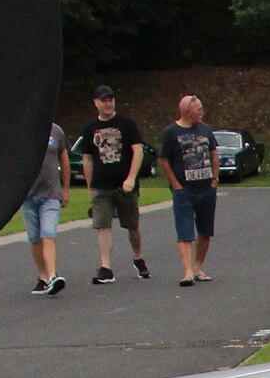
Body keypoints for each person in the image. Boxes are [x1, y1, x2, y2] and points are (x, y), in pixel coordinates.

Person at [79, 86, 148, 283]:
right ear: (96, 103)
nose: (108, 104)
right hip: (101, 186)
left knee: (132, 225)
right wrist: (90, 187)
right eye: (104, 100)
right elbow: (87, 159)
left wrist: (131, 178)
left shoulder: (126, 124)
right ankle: (106, 267)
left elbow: (138, 151)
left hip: (124, 185)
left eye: (111, 100)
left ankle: (138, 257)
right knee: (103, 226)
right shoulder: (90, 128)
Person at [156, 94, 220, 286]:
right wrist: (175, 184)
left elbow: (214, 155)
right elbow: (164, 160)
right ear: (187, 111)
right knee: (184, 232)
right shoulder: (171, 132)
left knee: (205, 231)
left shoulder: (205, 129)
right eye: (198, 110)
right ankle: (187, 272)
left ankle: (198, 267)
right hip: (184, 191)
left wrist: (214, 180)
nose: (202, 113)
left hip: (206, 188)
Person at [23, 117, 69, 296]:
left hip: (50, 193)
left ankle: (52, 277)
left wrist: (65, 188)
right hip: (28, 195)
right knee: (35, 238)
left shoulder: (56, 131)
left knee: (48, 234)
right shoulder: (23, 131)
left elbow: (64, 159)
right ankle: (42, 276)